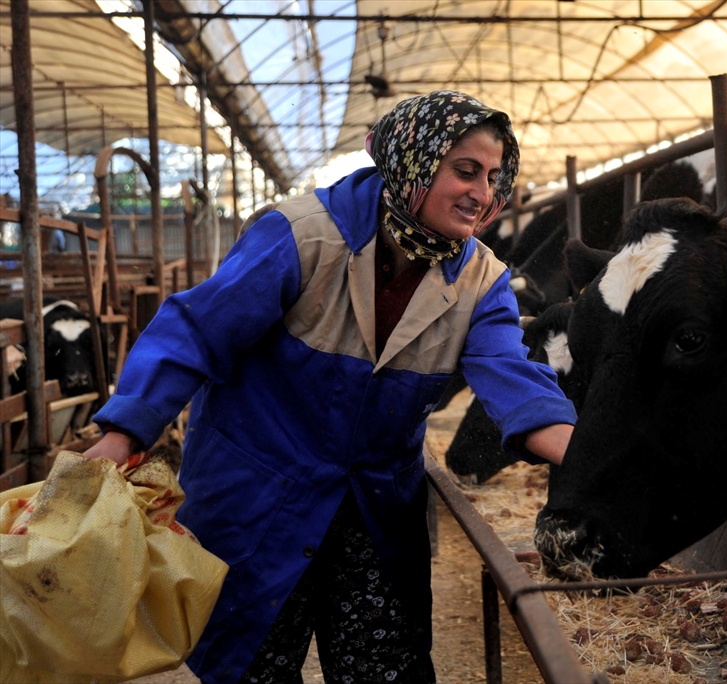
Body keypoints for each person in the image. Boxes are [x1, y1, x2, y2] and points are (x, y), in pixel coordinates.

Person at [83, 91, 576, 684]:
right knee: (248, 663)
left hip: (373, 510)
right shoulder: (300, 236)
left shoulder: (483, 281)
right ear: (410, 160)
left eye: (494, 177)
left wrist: (584, 453)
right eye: (464, 170)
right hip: (257, 498)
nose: (482, 192)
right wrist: (123, 432)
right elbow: (194, 332)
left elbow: (513, 378)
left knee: (383, 669)